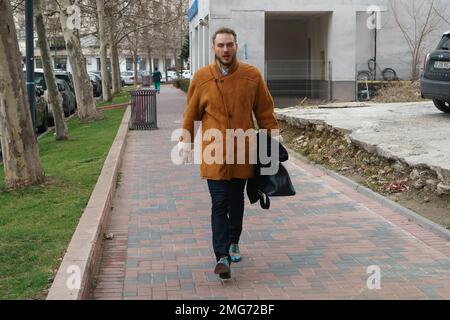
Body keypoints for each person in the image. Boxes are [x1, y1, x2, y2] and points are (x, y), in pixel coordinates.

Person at [178, 27, 279, 280]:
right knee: (219, 203)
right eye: (221, 45)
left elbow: (265, 112)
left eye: (230, 45)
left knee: (236, 201)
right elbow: (190, 114)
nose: (225, 49)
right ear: (214, 48)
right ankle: (221, 256)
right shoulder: (201, 78)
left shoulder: (252, 76)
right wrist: (185, 142)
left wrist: (272, 143)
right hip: (214, 153)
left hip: (243, 151)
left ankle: (234, 241)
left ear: (236, 46)